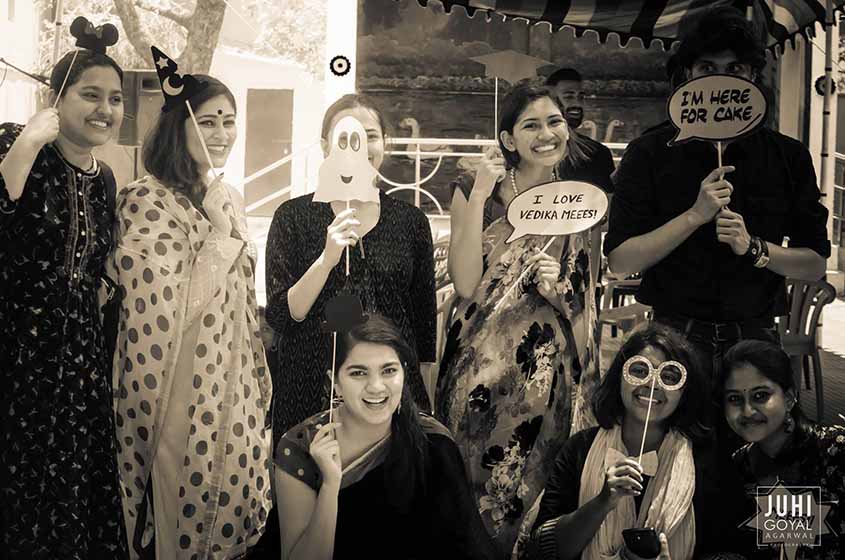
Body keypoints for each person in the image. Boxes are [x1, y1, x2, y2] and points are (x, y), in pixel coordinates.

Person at [604, 7, 830, 380]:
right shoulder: (650, 152)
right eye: (708, 68)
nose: (720, 82)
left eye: (735, 69)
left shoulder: (788, 156)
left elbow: (815, 264)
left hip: (755, 336)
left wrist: (753, 247)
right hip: (671, 336)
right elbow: (621, 262)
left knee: (752, 439)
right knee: (673, 440)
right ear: (688, 74)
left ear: (754, 76)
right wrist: (693, 216)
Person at [436, 80, 600, 556]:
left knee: (537, 486)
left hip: (544, 380)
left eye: (555, 122)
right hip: (479, 371)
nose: (547, 133)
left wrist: (559, 291)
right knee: (472, 480)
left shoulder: (581, 205)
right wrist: (484, 187)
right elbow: (465, 282)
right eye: (531, 125)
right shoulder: (475, 189)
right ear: (508, 140)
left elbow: (586, 305)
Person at [111, 75, 272, 559]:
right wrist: (220, 234)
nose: (221, 133)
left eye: (228, 121)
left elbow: (242, 298)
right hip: (175, 387)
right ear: (178, 128)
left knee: (227, 503)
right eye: (207, 122)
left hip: (231, 381)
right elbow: (165, 308)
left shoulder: (229, 195)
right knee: (180, 508)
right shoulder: (145, 199)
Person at [0, 46, 128, 557]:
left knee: (72, 488)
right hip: (17, 349)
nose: (105, 109)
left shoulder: (106, 180)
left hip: (79, 357)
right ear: (58, 97)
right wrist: (29, 141)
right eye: (90, 94)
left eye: (115, 99)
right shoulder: (14, 141)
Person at [264, 94, 437, 438]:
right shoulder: (292, 217)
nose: (359, 146)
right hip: (310, 391)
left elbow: (423, 328)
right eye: (345, 136)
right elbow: (282, 315)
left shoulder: (411, 222)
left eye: (370, 135)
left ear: (385, 143)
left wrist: (425, 406)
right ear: (326, 146)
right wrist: (327, 260)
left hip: (387, 391)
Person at [274, 314, 496, 559]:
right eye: (358, 373)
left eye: (389, 370)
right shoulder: (300, 449)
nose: (377, 386)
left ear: (404, 373)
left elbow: (466, 547)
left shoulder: (433, 443)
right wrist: (329, 486)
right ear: (334, 382)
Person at [529, 324, 721, 560]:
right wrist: (602, 502)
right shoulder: (579, 449)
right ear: (619, 376)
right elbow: (541, 551)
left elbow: (729, 550)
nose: (652, 384)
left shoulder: (705, 461)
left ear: (684, 392)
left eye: (669, 377)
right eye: (640, 370)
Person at [717, 340, 844, 559]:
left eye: (760, 396)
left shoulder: (835, 451)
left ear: (789, 398)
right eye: (734, 399)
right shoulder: (737, 469)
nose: (747, 411)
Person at [544, 68, 615, 195]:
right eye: (569, 97)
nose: (577, 103)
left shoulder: (598, 154)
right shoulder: (531, 151)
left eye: (581, 97)